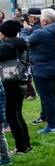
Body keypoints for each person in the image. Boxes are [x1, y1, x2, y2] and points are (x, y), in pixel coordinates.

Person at [27, 8, 55, 134]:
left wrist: (25, 31)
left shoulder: (40, 33)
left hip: (43, 69)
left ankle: (52, 125)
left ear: (45, 21)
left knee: (48, 98)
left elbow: (25, 43)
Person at [0, 20, 31, 154]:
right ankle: (26, 144)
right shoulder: (22, 43)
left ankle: (21, 147)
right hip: (21, 80)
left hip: (10, 82)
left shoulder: (6, 47)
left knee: (11, 116)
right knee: (17, 114)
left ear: (5, 33)